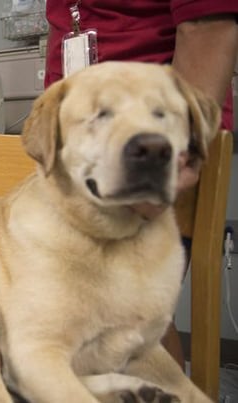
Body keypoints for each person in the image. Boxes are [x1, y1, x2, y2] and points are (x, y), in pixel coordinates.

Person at [44, 0, 238, 368]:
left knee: (130, 317)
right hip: (82, 147)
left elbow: (208, 25)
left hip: (143, 147)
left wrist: (175, 150)